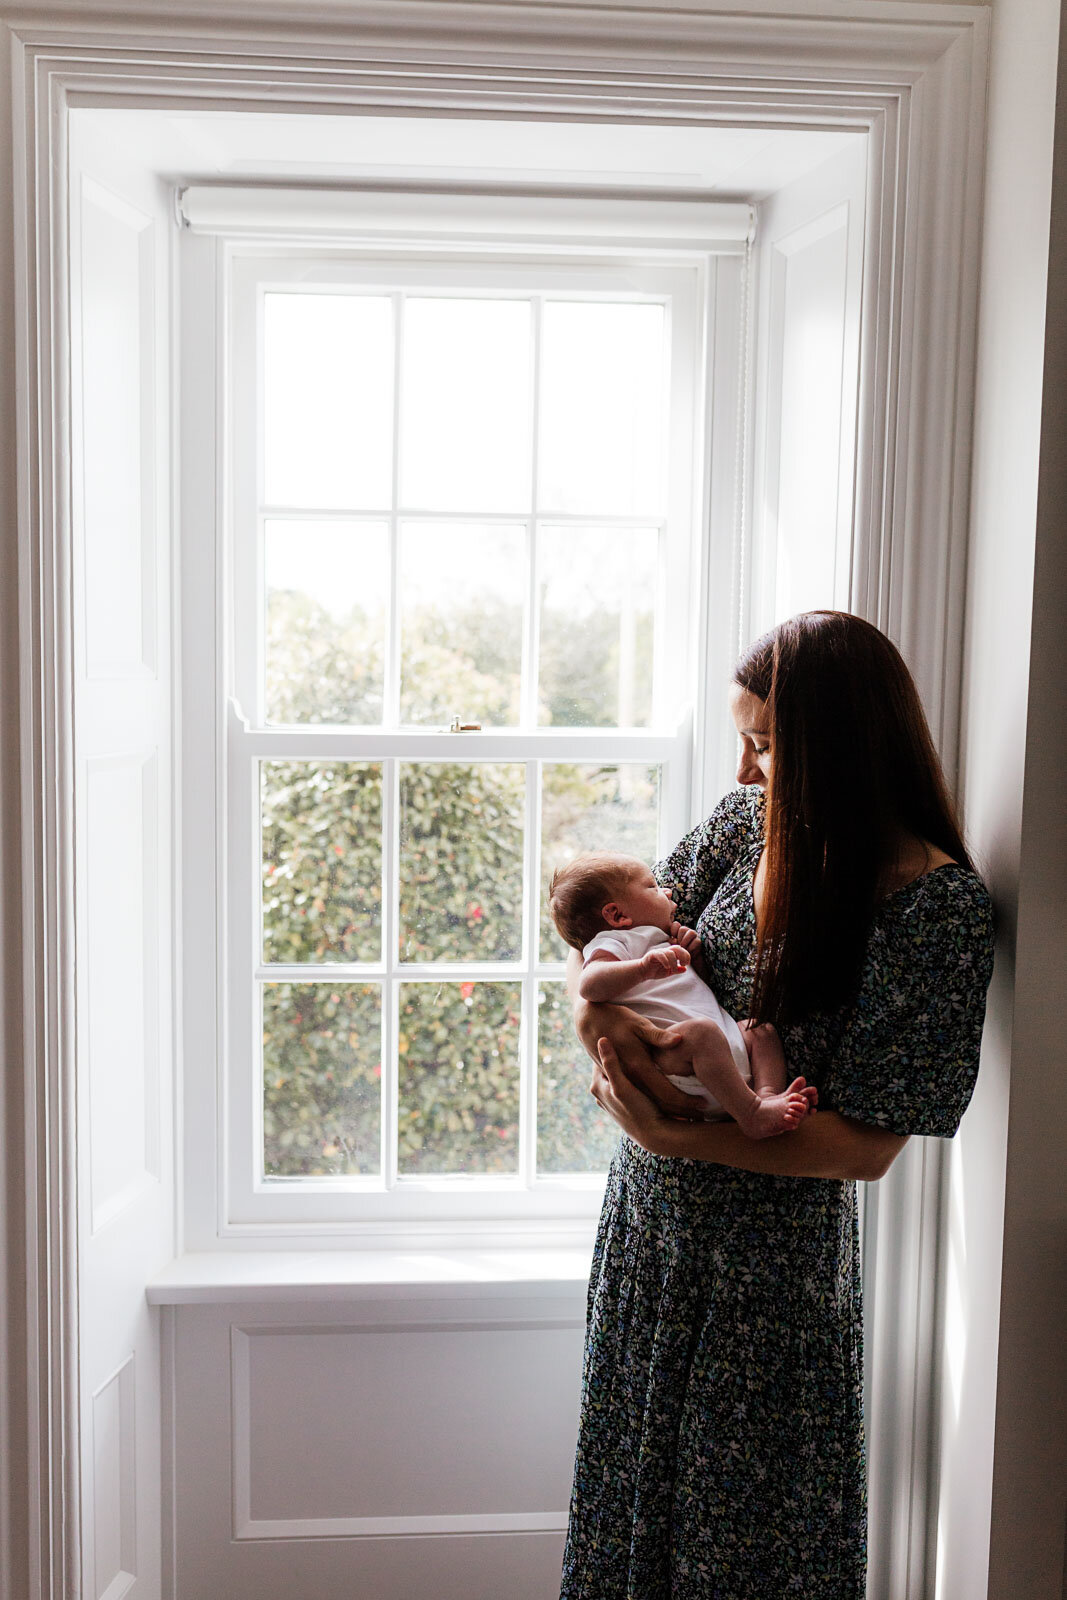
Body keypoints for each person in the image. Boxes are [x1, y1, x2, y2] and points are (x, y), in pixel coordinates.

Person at [558, 611, 996, 1600]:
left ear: (839, 747)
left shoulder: (934, 910)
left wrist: (675, 1129)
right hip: (647, 1232)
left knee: (745, 1548)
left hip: (769, 1275)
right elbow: (606, 962)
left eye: (765, 743)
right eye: (743, 741)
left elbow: (866, 1145)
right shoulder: (736, 825)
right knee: (627, 1523)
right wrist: (622, 1067)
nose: (748, 769)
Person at [548, 851, 817, 1136]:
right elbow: (590, 984)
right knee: (702, 1032)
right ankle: (751, 1113)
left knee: (758, 1029)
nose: (665, 890)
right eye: (652, 886)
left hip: (718, 1053)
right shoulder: (615, 942)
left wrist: (694, 961)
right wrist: (642, 968)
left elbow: (692, 994)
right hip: (676, 1061)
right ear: (617, 915)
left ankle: (767, 1095)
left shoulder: (659, 940)